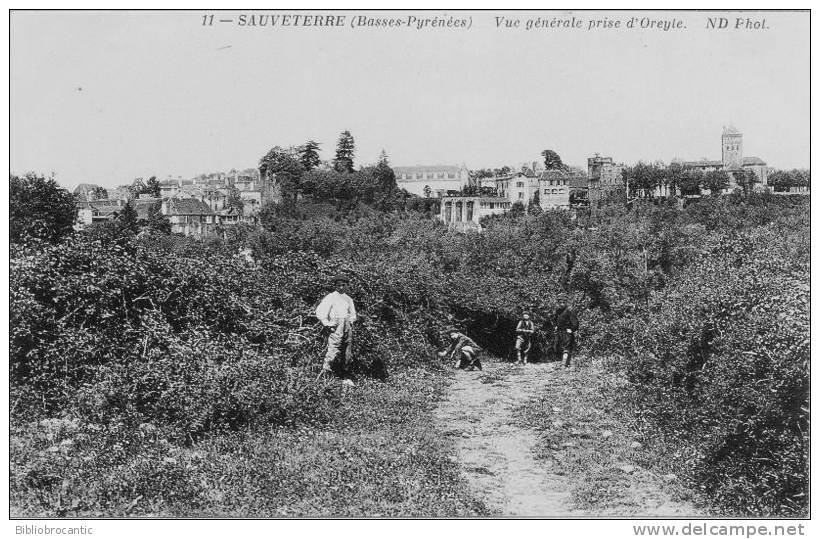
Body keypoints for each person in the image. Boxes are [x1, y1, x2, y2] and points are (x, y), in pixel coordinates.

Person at [315, 274, 357, 380]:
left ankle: (345, 376)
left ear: (347, 286)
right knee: (333, 351)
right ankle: (326, 376)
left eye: (343, 285)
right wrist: (327, 323)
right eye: (339, 285)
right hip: (336, 326)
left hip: (347, 326)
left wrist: (350, 322)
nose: (341, 287)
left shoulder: (348, 299)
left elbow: (353, 314)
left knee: (347, 352)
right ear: (335, 286)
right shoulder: (331, 297)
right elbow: (320, 311)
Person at [553, 295, 579, 367]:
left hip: (567, 332)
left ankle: (563, 364)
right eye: (560, 302)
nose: (562, 304)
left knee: (566, 347)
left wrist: (572, 329)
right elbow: (556, 320)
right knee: (559, 347)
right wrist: (556, 327)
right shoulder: (558, 310)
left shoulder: (570, 310)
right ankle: (567, 363)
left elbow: (575, 322)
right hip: (560, 331)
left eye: (563, 302)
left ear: (566, 302)